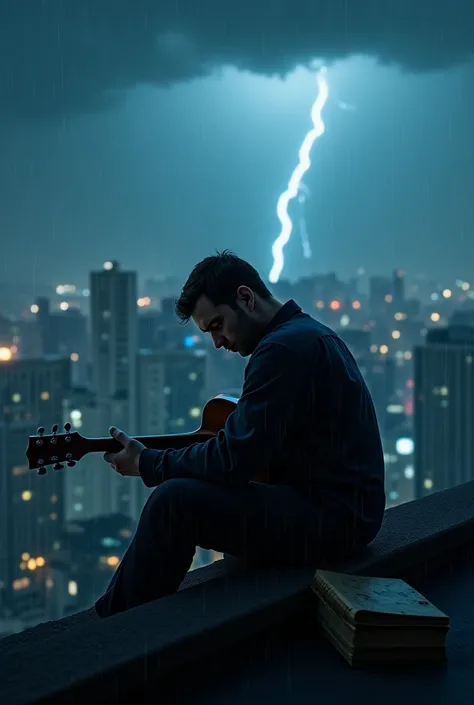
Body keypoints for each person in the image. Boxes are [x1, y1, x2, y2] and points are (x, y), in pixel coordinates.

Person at [94, 251, 385, 618]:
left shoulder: (281, 350)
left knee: (174, 504)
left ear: (245, 298)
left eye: (217, 325)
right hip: (347, 513)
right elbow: (247, 445)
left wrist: (149, 463)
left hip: (333, 521)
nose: (217, 341)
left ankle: (112, 631)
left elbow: (234, 459)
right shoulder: (310, 334)